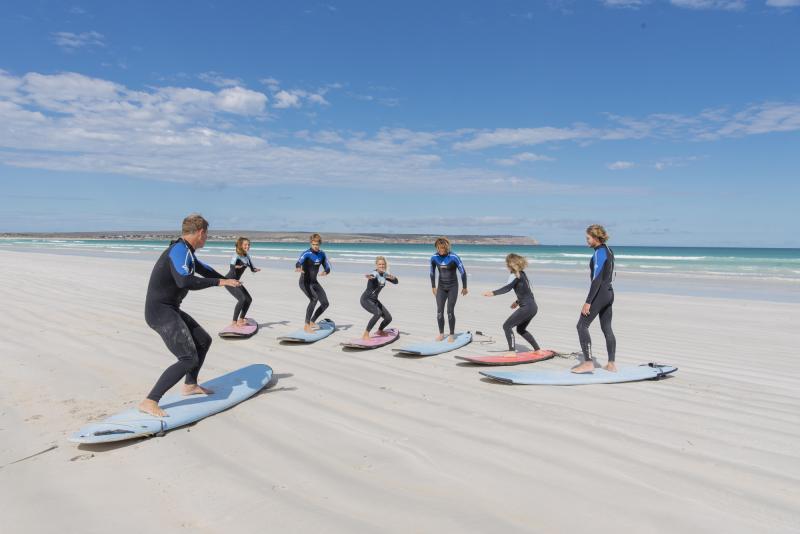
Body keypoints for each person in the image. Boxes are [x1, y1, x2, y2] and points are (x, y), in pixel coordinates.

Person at [140, 214, 241, 417]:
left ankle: (190, 384)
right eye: (207, 235)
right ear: (201, 232)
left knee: (203, 340)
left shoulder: (185, 251)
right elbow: (184, 281)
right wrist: (220, 283)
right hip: (159, 311)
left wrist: (227, 280)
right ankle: (150, 400)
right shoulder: (179, 250)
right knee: (187, 357)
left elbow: (203, 269)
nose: (207, 238)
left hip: (169, 308)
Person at [572, 224, 617, 374]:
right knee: (607, 328)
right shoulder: (609, 250)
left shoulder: (599, 252)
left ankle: (588, 363)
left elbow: (596, 280)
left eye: (588, 238)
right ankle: (611, 364)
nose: (587, 241)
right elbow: (611, 275)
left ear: (596, 238)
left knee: (581, 326)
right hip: (609, 292)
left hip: (600, 293)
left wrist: (588, 301)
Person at [483, 253, 542, 357]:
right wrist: (517, 302)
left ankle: (512, 351)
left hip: (527, 307)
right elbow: (527, 292)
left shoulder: (515, 275)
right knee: (520, 329)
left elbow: (507, 288)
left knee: (507, 326)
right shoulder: (522, 274)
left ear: (510, 264)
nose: (506, 265)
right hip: (533, 307)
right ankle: (537, 349)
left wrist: (493, 293)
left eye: (507, 263)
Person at [430, 237, 468, 342]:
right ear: (437, 247)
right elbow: (432, 273)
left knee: (450, 311)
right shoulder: (434, 257)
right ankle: (441, 334)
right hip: (441, 287)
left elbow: (463, 272)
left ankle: (451, 334)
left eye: (443, 248)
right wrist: (433, 286)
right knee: (439, 311)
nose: (441, 250)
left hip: (453, 287)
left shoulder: (454, 257)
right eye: (439, 248)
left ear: (447, 247)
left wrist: (465, 287)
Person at [295, 233, 331, 333]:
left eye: (317, 244)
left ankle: (312, 321)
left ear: (320, 244)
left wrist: (326, 272)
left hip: (314, 282)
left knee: (325, 303)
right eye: (314, 244)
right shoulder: (306, 253)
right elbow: (299, 262)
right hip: (304, 282)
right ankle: (306, 325)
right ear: (311, 243)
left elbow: (328, 266)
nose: (315, 246)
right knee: (314, 299)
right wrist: (298, 268)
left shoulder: (322, 254)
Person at [360, 256, 398, 339]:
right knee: (378, 313)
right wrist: (370, 277)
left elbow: (396, 282)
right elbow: (373, 276)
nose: (382, 266)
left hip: (374, 300)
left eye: (383, 264)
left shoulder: (384, 275)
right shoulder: (375, 273)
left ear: (385, 265)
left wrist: (392, 277)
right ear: (376, 265)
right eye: (380, 264)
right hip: (366, 299)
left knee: (388, 318)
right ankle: (366, 334)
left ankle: (380, 331)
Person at [226, 237, 260, 327]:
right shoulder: (236, 255)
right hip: (229, 280)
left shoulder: (247, 256)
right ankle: (234, 322)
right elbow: (231, 267)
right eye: (245, 244)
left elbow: (252, 268)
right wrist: (236, 268)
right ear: (241, 245)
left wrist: (255, 270)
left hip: (236, 281)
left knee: (249, 299)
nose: (247, 246)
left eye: (249, 245)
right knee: (242, 299)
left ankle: (241, 320)